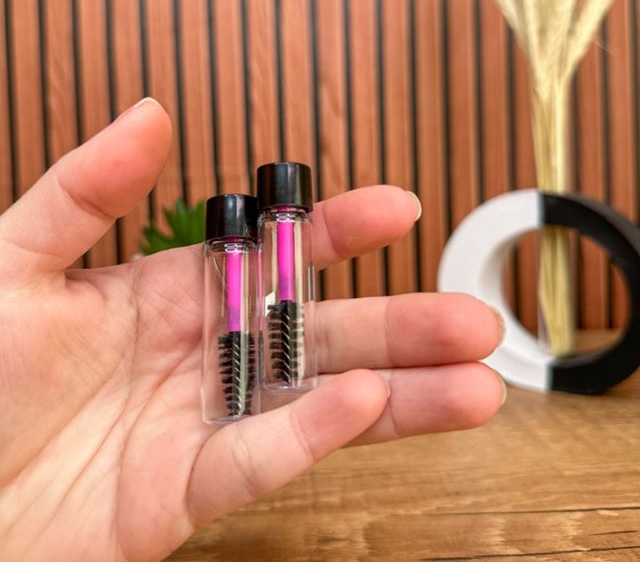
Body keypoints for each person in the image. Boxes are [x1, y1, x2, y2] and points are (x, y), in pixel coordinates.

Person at [0, 98, 505, 561]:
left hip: (268, 334)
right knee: (245, 353)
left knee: (286, 341)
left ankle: (263, 386)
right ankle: (242, 395)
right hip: (232, 346)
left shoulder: (285, 226)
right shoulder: (233, 246)